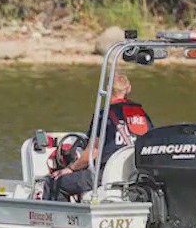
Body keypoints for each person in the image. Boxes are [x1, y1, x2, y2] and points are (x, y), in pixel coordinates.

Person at [43, 72, 153, 202]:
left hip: (106, 176)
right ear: (129, 88)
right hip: (133, 176)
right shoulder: (142, 115)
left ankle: (63, 220)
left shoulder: (104, 115)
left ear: (107, 89)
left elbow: (93, 151)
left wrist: (70, 169)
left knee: (56, 183)